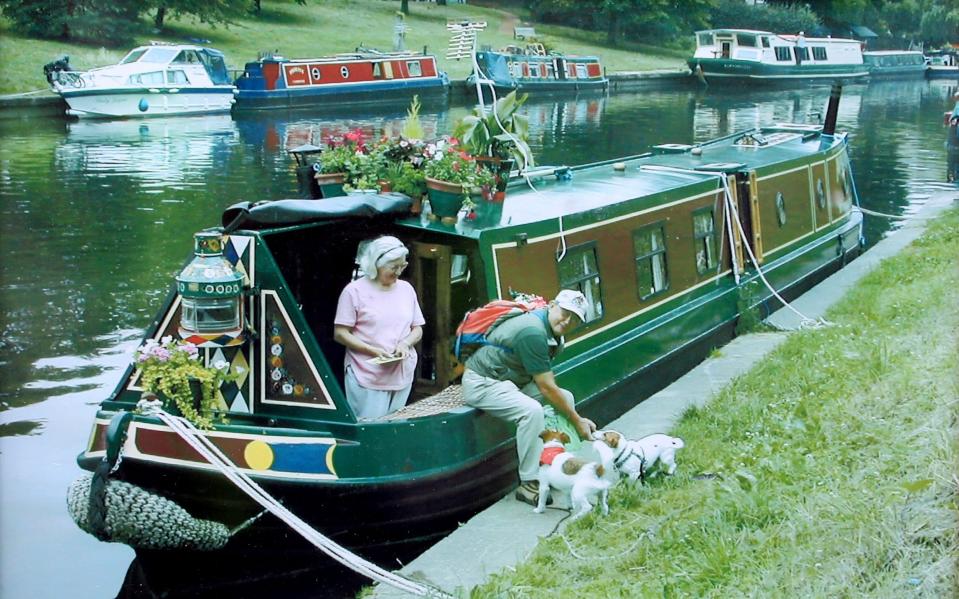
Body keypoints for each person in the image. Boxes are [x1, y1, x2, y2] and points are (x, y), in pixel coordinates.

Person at [461, 289, 598, 506]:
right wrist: (577, 420)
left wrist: (573, 415)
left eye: (574, 318)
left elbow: (550, 389)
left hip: (512, 382)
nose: (567, 320)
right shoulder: (532, 332)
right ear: (552, 305)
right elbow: (546, 387)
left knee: (566, 398)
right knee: (531, 412)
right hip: (482, 383)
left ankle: (554, 464)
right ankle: (529, 481)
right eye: (564, 312)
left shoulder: (550, 329)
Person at [334, 236, 424, 420]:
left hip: (401, 372)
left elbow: (418, 328)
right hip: (366, 372)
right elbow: (340, 333)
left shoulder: (406, 289)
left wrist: (406, 343)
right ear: (376, 264)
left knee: (394, 427)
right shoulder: (354, 291)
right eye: (393, 267)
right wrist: (372, 350)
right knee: (370, 428)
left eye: (402, 266)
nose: (399, 272)